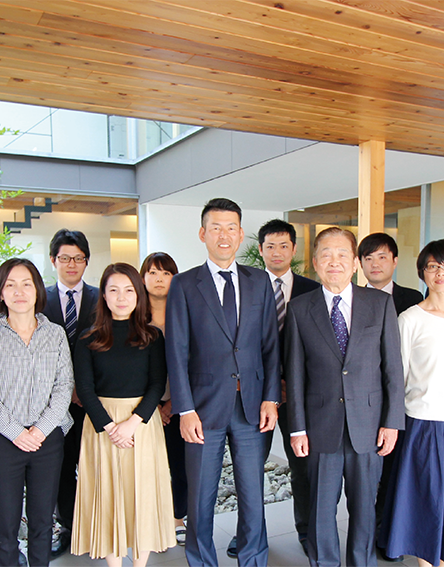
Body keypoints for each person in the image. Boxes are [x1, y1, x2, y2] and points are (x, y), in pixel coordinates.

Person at [165, 197, 281, 566]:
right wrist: (184, 408)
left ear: (241, 233)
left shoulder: (259, 280)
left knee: (252, 493)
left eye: (231, 227)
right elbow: (177, 351)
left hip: (251, 407)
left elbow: (270, 345)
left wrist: (270, 399)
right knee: (201, 496)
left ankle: (253, 559)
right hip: (202, 408)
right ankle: (201, 561)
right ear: (203, 234)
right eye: (216, 227)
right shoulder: (184, 285)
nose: (224, 235)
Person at [285, 227, 404, 567]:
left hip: (368, 426)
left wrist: (392, 422)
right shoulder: (299, 308)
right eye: (326, 254)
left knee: (365, 509)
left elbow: (393, 370)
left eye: (341, 255)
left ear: (354, 263)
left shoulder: (379, 304)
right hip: (320, 427)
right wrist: (297, 429)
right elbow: (295, 374)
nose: (333, 262)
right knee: (321, 509)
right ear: (314, 263)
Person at [380, 239, 444, 567]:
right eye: (432, 266)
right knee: (425, 501)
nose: (440, 272)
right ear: (422, 274)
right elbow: (400, 378)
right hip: (424, 421)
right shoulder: (410, 319)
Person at [0, 258, 74, 567]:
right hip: (0, 441)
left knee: (42, 523)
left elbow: (64, 386)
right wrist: (16, 431)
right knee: (4, 527)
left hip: (47, 440)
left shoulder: (54, 334)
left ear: (37, 290)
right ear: (0, 293)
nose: (19, 291)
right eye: (10, 285)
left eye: (26, 283)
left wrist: (39, 430)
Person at [225, 219, 320, 558]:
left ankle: (307, 533)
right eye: (270, 246)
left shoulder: (314, 289)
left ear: (294, 250)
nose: (277, 252)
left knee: (303, 467)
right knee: (249, 466)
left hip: (301, 395)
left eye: (283, 246)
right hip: (255, 392)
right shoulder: (244, 287)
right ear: (261, 250)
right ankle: (249, 534)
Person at [72, 262, 176, 566]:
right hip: (101, 425)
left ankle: (140, 563)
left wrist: (132, 422)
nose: (122, 297)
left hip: (141, 423)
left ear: (138, 294)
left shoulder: (153, 337)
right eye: (114, 290)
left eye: (129, 290)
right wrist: (109, 426)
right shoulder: (87, 339)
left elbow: (158, 384)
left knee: (142, 495)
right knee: (107, 496)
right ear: (103, 295)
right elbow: (85, 390)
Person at [358, 231, 422, 557]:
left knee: (395, 471)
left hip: (403, 397)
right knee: (366, 473)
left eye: (382, 256)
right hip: (362, 400)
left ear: (395, 261)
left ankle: (388, 536)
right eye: (368, 258)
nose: (375, 264)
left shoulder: (413, 298)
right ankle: (365, 535)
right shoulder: (351, 298)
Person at [41, 229, 99, 558]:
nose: (72, 264)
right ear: (54, 261)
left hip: (92, 401)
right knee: (60, 467)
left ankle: (96, 525)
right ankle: (68, 527)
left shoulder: (100, 298)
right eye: (65, 258)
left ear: (86, 262)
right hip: (51, 404)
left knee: (92, 464)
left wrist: (84, 388)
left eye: (78, 258)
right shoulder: (40, 299)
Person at [140, 252, 188, 546]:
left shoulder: (185, 314)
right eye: (153, 273)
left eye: (166, 273)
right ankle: (149, 519)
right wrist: (153, 407)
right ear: (143, 277)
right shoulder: (133, 317)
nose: (159, 279)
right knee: (147, 468)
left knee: (181, 465)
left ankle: (177, 518)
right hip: (143, 408)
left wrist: (173, 403)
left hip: (181, 405)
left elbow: (196, 363)